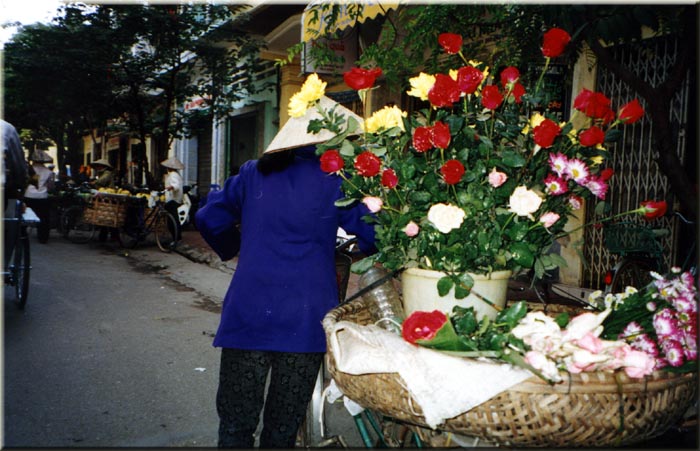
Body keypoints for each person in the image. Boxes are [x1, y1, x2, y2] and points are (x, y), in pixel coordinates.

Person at [196, 97, 376, 449]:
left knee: (235, 425)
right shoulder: (338, 180)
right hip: (305, 319)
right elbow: (373, 232)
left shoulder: (253, 172)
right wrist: (365, 246)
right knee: (281, 431)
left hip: (247, 315)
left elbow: (208, 217)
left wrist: (235, 246)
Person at [23, 149, 55, 243]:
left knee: (24, 216)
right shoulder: (49, 172)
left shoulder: (28, 170)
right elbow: (50, 186)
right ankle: (43, 238)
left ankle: (22, 235)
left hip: (28, 195)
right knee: (44, 218)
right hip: (42, 197)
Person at [90, 158, 118, 242]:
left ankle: (108, 236)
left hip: (108, 197)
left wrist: (94, 183)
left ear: (102, 166)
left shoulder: (107, 173)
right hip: (104, 196)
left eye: (98, 166)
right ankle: (105, 236)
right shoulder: (102, 174)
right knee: (105, 215)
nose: (97, 168)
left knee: (107, 215)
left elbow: (101, 181)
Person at [160, 156, 184, 240]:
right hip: (175, 199)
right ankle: (177, 237)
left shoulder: (173, 175)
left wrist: (170, 187)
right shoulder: (174, 175)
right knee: (174, 219)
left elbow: (176, 185)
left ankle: (176, 238)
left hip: (173, 200)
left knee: (171, 221)